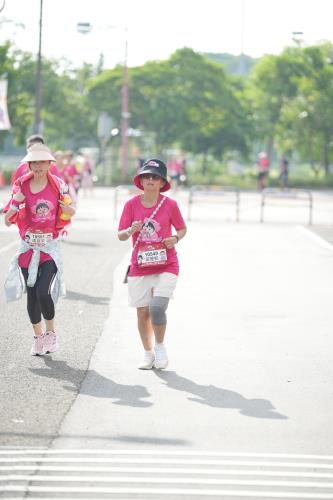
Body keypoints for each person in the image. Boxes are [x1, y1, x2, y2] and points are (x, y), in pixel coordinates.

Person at [3, 143, 75, 356]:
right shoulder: (21, 186)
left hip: (50, 247)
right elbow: (8, 220)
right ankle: (37, 337)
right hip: (28, 247)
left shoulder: (58, 185)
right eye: (34, 162)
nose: (38, 166)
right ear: (28, 164)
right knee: (32, 295)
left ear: (50, 164)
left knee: (44, 291)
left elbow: (70, 212)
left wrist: (68, 210)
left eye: (42, 161)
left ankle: (51, 334)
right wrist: (16, 204)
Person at [118, 159, 187, 370]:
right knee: (142, 312)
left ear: (162, 182)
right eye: (146, 176)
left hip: (166, 263)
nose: (149, 179)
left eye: (154, 177)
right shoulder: (131, 205)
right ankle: (147, 354)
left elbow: (182, 229)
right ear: (140, 180)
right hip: (140, 266)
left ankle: (160, 347)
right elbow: (120, 235)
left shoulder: (170, 205)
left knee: (156, 308)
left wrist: (175, 239)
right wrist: (131, 229)